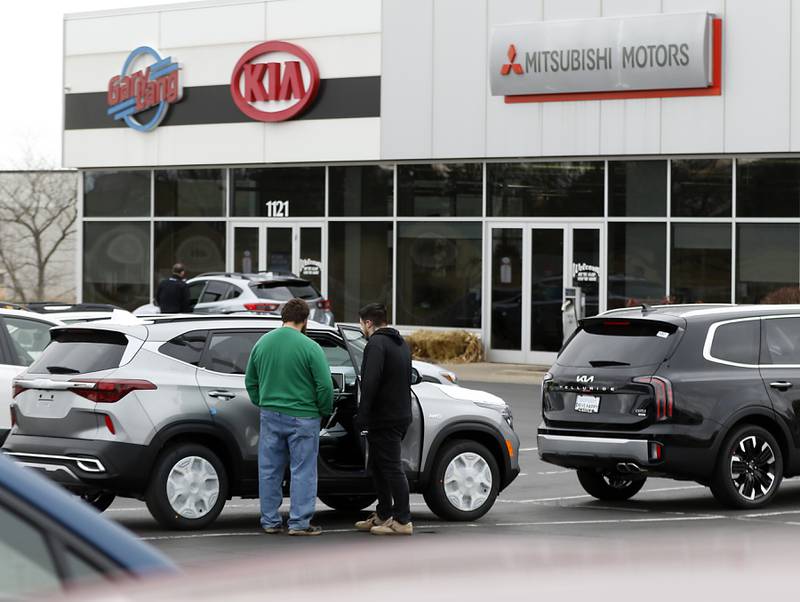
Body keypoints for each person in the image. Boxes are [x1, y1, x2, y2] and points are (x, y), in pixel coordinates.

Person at [245, 298, 333, 536]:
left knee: (269, 469)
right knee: (302, 470)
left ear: (283, 317)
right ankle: (299, 523)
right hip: (304, 417)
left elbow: (250, 381)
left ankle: (270, 521)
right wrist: (323, 410)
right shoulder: (310, 347)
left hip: (270, 415)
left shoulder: (262, 343)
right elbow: (325, 386)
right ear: (305, 321)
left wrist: (262, 401)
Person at [354, 303, 414, 536]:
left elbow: (370, 383)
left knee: (391, 467)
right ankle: (384, 513)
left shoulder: (376, 344)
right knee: (379, 467)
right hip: (400, 415)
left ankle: (402, 520)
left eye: (361, 323)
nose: (361, 328)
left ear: (368, 323)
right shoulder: (400, 343)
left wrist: (363, 415)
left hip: (385, 418)